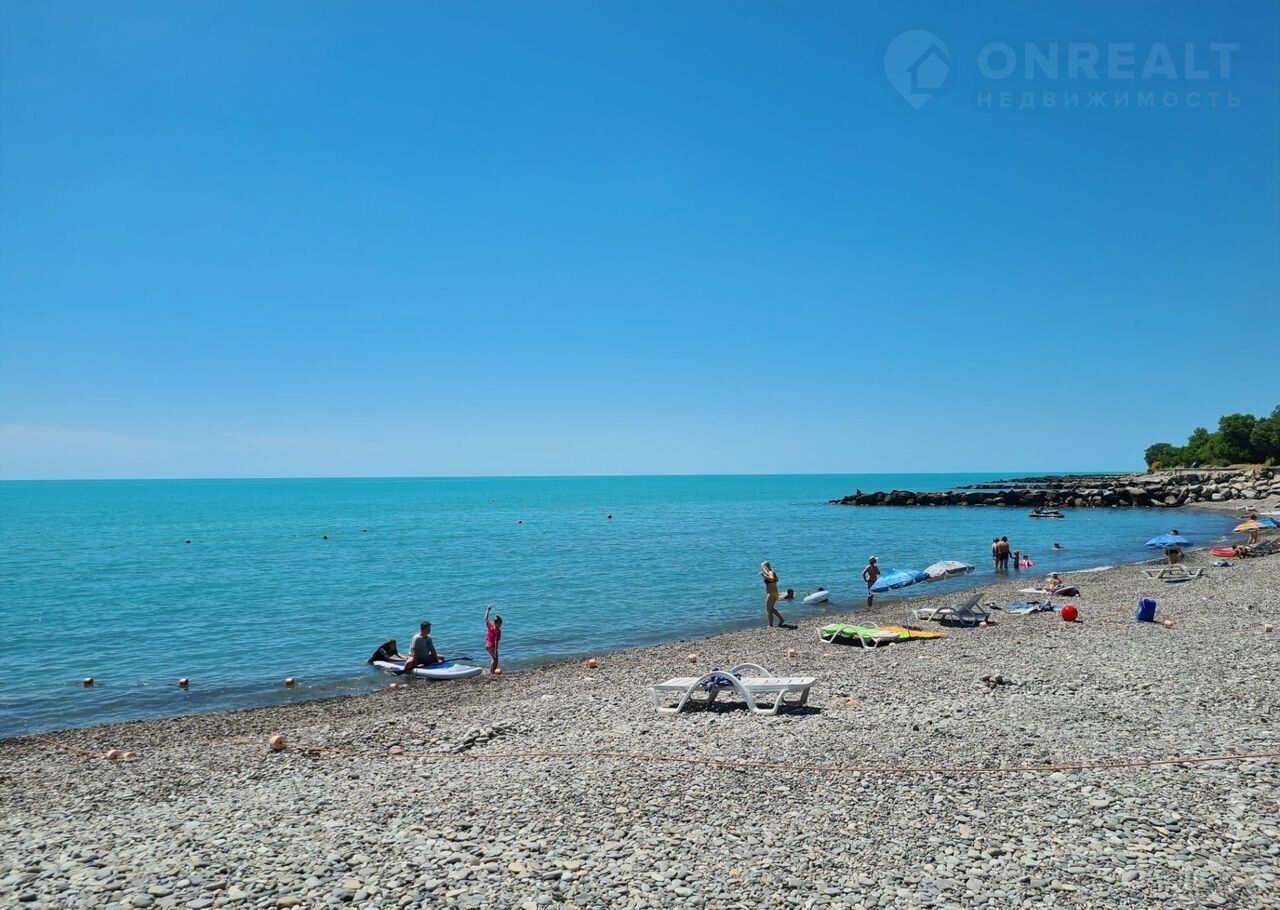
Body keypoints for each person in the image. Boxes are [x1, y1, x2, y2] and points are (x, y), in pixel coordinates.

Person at [760, 561, 786, 627]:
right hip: (774, 592)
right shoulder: (771, 572)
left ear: (765, 567)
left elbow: (772, 579)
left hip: (771, 593)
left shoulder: (770, 572)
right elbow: (776, 580)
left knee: (769, 609)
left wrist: (764, 576)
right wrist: (765, 575)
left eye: (762, 567)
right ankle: (774, 623)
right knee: (771, 609)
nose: (761, 568)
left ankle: (775, 622)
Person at [484, 605, 502, 673]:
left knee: (496, 659)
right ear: (496, 623)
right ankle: (491, 672)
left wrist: (487, 610)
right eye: (500, 624)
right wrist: (496, 650)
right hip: (491, 646)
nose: (500, 625)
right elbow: (496, 641)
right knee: (494, 659)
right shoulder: (498, 631)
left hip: (487, 646)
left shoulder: (490, 626)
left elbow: (486, 619)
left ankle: (494, 670)